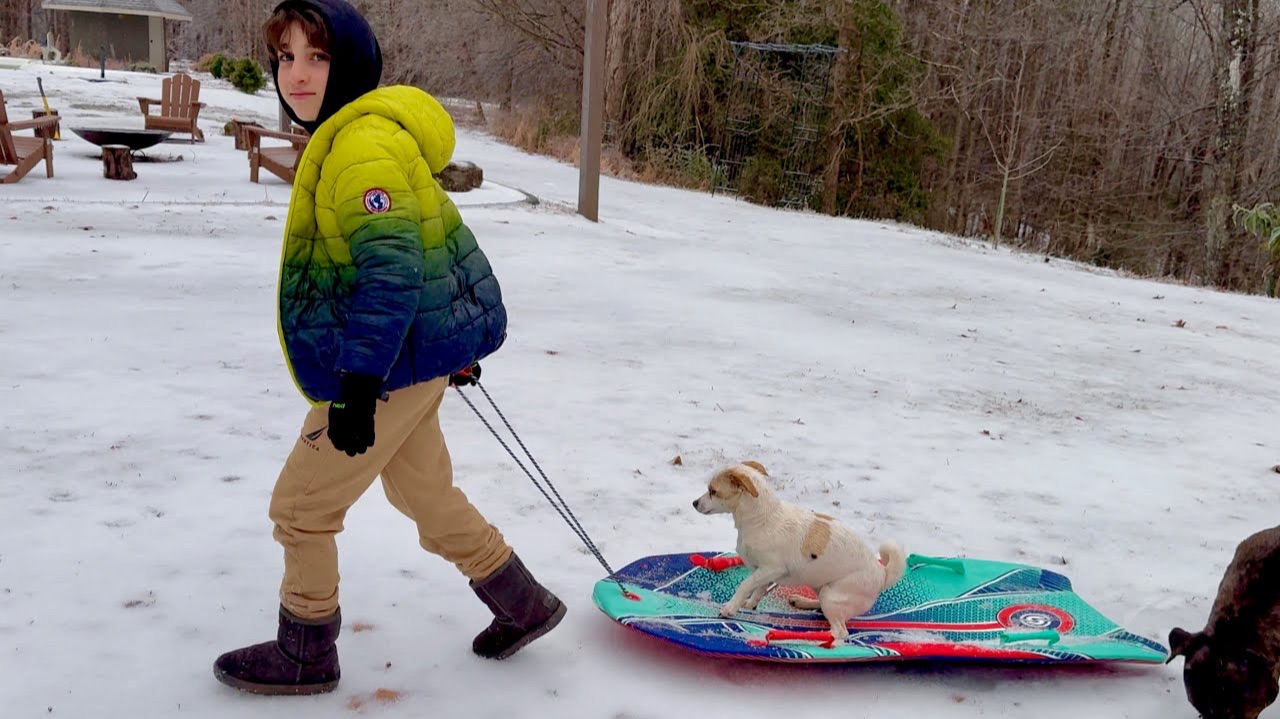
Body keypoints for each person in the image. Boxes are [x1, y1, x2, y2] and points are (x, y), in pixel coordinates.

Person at [213, 0, 565, 696]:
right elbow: (433, 243)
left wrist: (358, 387)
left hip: (382, 367)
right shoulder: (368, 133)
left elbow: (394, 267)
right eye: (286, 57)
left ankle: (306, 647)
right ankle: (523, 602)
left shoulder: (360, 146)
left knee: (301, 507)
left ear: (352, 64)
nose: (297, 74)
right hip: (411, 357)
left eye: (317, 56)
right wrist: (447, 343)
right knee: (425, 492)